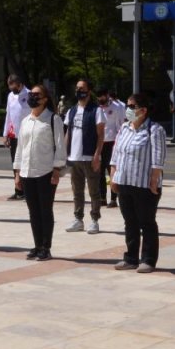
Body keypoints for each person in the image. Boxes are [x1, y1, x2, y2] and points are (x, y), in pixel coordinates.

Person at [110, 92, 166, 273]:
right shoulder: (124, 128)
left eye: (132, 107)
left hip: (144, 184)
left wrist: (154, 180)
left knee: (146, 222)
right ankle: (131, 258)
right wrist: (113, 177)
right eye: (127, 106)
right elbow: (116, 155)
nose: (128, 110)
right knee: (130, 222)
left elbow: (158, 158)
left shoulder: (154, 129)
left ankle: (148, 259)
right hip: (124, 181)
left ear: (143, 110)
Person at [13, 83, 66, 261]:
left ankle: (46, 247)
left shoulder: (53, 119)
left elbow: (60, 147)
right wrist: (17, 172)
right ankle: (37, 245)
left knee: (45, 210)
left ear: (45, 99)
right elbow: (20, 148)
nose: (32, 98)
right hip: (27, 172)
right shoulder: (25, 121)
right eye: (31, 95)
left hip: (45, 171)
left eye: (37, 95)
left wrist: (57, 169)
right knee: (33, 211)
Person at [63, 79, 106, 235]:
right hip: (74, 158)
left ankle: (94, 220)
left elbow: (101, 135)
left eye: (81, 88)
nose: (78, 91)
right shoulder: (72, 110)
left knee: (94, 191)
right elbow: (68, 133)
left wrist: (97, 155)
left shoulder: (96, 110)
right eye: (77, 88)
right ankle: (78, 219)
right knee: (77, 191)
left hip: (89, 157)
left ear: (89, 91)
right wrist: (64, 153)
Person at [3, 74, 31, 200]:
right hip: (14, 135)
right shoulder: (10, 96)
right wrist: (5, 134)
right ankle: (18, 190)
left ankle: (27, 189)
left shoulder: (29, 94)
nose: (11, 89)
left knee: (26, 163)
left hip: (27, 134)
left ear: (19, 83)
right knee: (15, 163)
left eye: (12, 86)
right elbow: (8, 115)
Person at [98, 88, 125, 208]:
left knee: (112, 171)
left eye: (102, 97)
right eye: (98, 97)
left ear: (107, 95)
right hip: (100, 143)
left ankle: (114, 199)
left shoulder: (117, 107)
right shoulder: (97, 108)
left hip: (112, 142)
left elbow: (120, 126)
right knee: (99, 172)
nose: (100, 99)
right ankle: (102, 198)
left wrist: (119, 143)